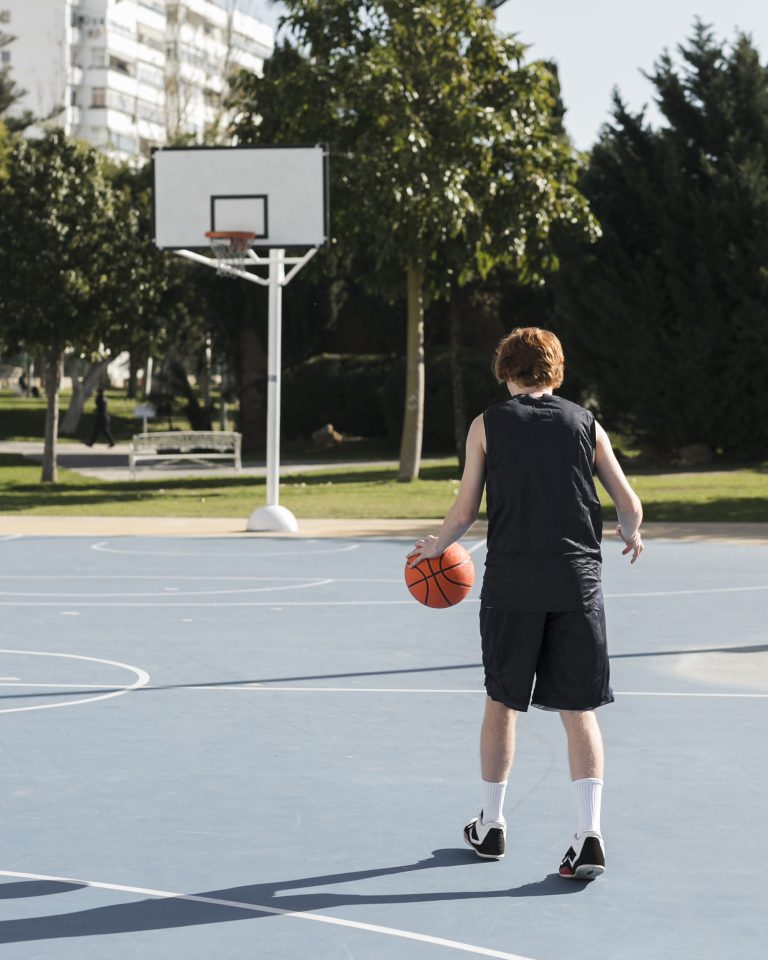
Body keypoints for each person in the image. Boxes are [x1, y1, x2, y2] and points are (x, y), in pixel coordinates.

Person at [407, 327, 643, 881]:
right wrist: (630, 532)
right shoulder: (586, 423)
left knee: (502, 703)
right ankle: (589, 836)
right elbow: (629, 504)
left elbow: (465, 510)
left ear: (504, 371)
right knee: (577, 711)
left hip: (514, 583)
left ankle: (491, 827)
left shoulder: (486, 425)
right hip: (576, 583)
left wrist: (435, 548)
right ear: (555, 371)